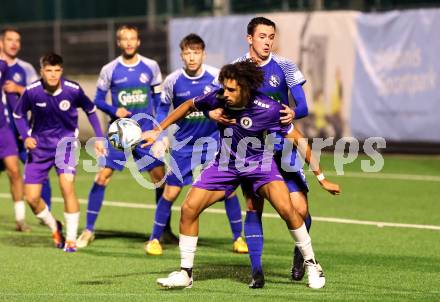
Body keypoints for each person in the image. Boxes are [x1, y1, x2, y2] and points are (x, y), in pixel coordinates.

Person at [143, 61, 340, 289]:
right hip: (224, 166)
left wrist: (322, 177)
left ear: (245, 88)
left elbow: (297, 139)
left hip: (259, 166)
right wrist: (158, 130)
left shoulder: (268, 108)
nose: (224, 94)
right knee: (189, 208)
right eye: (224, 88)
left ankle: (311, 263)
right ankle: (185, 273)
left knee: (288, 210)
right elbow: (188, 105)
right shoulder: (218, 98)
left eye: (231, 90)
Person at [208, 16, 313, 282]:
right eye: (262, 36)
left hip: (283, 146)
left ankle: (301, 255)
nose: (267, 42)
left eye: (271, 37)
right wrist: (215, 113)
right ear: (250, 38)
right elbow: (221, 101)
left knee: (299, 210)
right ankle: (256, 270)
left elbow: (302, 107)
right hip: (252, 149)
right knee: (254, 207)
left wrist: (292, 112)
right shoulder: (238, 69)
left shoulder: (286, 66)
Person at [144, 33, 248, 256]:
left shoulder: (215, 76)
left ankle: (238, 237)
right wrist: (161, 136)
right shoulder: (172, 80)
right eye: (187, 53)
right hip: (183, 145)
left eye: (196, 52)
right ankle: (154, 238)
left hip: (213, 143)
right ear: (181, 55)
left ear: (203, 54)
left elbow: (228, 101)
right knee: (170, 192)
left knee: (227, 191)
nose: (192, 57)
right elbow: (163, 108)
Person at [76, 25, 175, 248]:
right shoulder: (109, 69)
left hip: (145, 134)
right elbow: (98, 100)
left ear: (138, 42)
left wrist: (158, 132)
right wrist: (114, 111)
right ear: (119, 43)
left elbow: (160, 101)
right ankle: (89, 230)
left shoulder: (151, 66)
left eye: (133, 39)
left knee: (160, 180)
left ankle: (164, 230)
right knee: (101, 177)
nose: (129, 43)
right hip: (119, 133)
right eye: (124, 39)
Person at [13, 53, 105, 252]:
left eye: (56, 70)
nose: (53, 75)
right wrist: (25, 135)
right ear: (41, 71)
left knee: (67, 185)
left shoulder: (73, 90)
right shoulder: (32, 92)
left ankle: (71, 239)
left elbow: (90, 110)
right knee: (32, 198)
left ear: (61, 71)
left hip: (66, 145)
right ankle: (55, 226)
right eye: (48, 70)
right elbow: (18, 114)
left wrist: (98, 137)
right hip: (39, 148)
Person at [0, 27, 53, 212]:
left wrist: (18, 88)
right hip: (2, 132)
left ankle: (46, 210)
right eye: (10, 40)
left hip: (22, 133)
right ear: (1, 42)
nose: (14, 44)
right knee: (12, 173)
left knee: (40, 171)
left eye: (17, 40)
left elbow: (41, 95)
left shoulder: (25, 69)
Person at [0, 47, 30, 232]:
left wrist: (21, 125)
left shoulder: (3, 66)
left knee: (14, 171)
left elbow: (11, 96)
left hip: (3, 130)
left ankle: (20, 220)